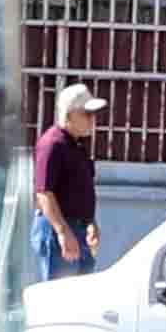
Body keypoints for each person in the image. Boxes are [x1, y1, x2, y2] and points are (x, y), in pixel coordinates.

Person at [28, 81, 106, 276]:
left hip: (78, 230)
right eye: (86, 114)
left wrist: (91, 223)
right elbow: (44, 193)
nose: (92, 120)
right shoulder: (52, 144)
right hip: (58, 231)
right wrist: (63, 232)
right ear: (69, 115)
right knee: (59, 292)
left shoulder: (76, 145)